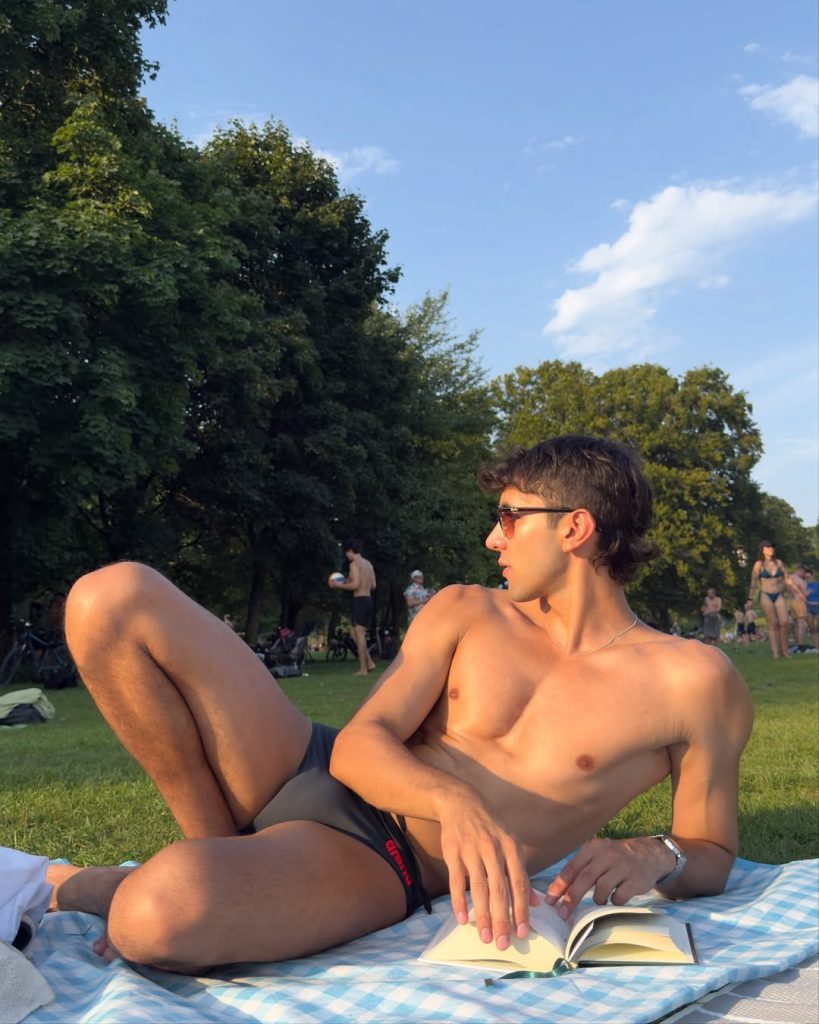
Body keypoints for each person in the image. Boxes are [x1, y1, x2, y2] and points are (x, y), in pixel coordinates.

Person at [46, 435, 752, 976]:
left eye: (509, 518)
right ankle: (217, 853)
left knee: (152, 917)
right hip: (309, 760)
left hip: (382, 855)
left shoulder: (691, 682)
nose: (492, 538)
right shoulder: (466, 609)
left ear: (573, 528)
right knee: (112, 596)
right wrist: (455, 800)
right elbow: (360, 744)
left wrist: (656, 853)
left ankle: (103, 887)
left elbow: (711, 851)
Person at [328, 539, 376, 676]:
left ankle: (363, 669)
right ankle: (370, 662)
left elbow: (355, 585)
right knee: (353, 633)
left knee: (359, 634)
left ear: (350, 551)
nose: (346, 556)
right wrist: (347, 581)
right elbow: (373, 585)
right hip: (368, 600)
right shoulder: (368, 564)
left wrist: (338, 585)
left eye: (346, 553)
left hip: (360, 600)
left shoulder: (354, 564)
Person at [748, 541, 790, 658]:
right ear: (763, 550)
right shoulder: (758, 565)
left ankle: (784, 650)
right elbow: (753, 583)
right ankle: (775, 652)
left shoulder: (778, 563)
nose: (771, 549)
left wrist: (797, 591)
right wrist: (750, 598)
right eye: (768, 547)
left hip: (778, 593)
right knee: (773, 624)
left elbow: (786, 578)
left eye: (772, 547)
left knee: (785, 623)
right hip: (765, 594)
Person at [785, 565, 810, 652]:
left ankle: (797, 644)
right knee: (801, 624)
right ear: (801, 571)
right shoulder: (799, 580)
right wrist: (810, 591)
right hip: (799, 602)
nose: (804, 575)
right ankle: (800, 645)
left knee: (795, 624)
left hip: (791, 602)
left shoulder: (788, 578)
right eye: (804, 573)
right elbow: (804, 593)